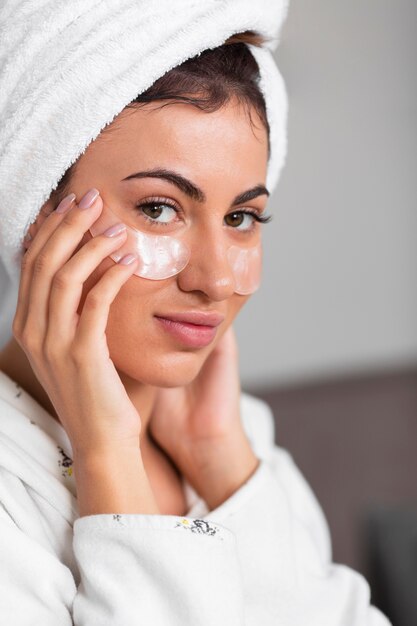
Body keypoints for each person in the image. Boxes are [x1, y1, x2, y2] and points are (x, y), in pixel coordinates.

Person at [0, 26, 391, 626]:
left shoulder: (237, 439)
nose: (214, 279)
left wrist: (223, 463)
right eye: (159, 208)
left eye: (241, 216)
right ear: (34, 220)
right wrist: (106, 455)